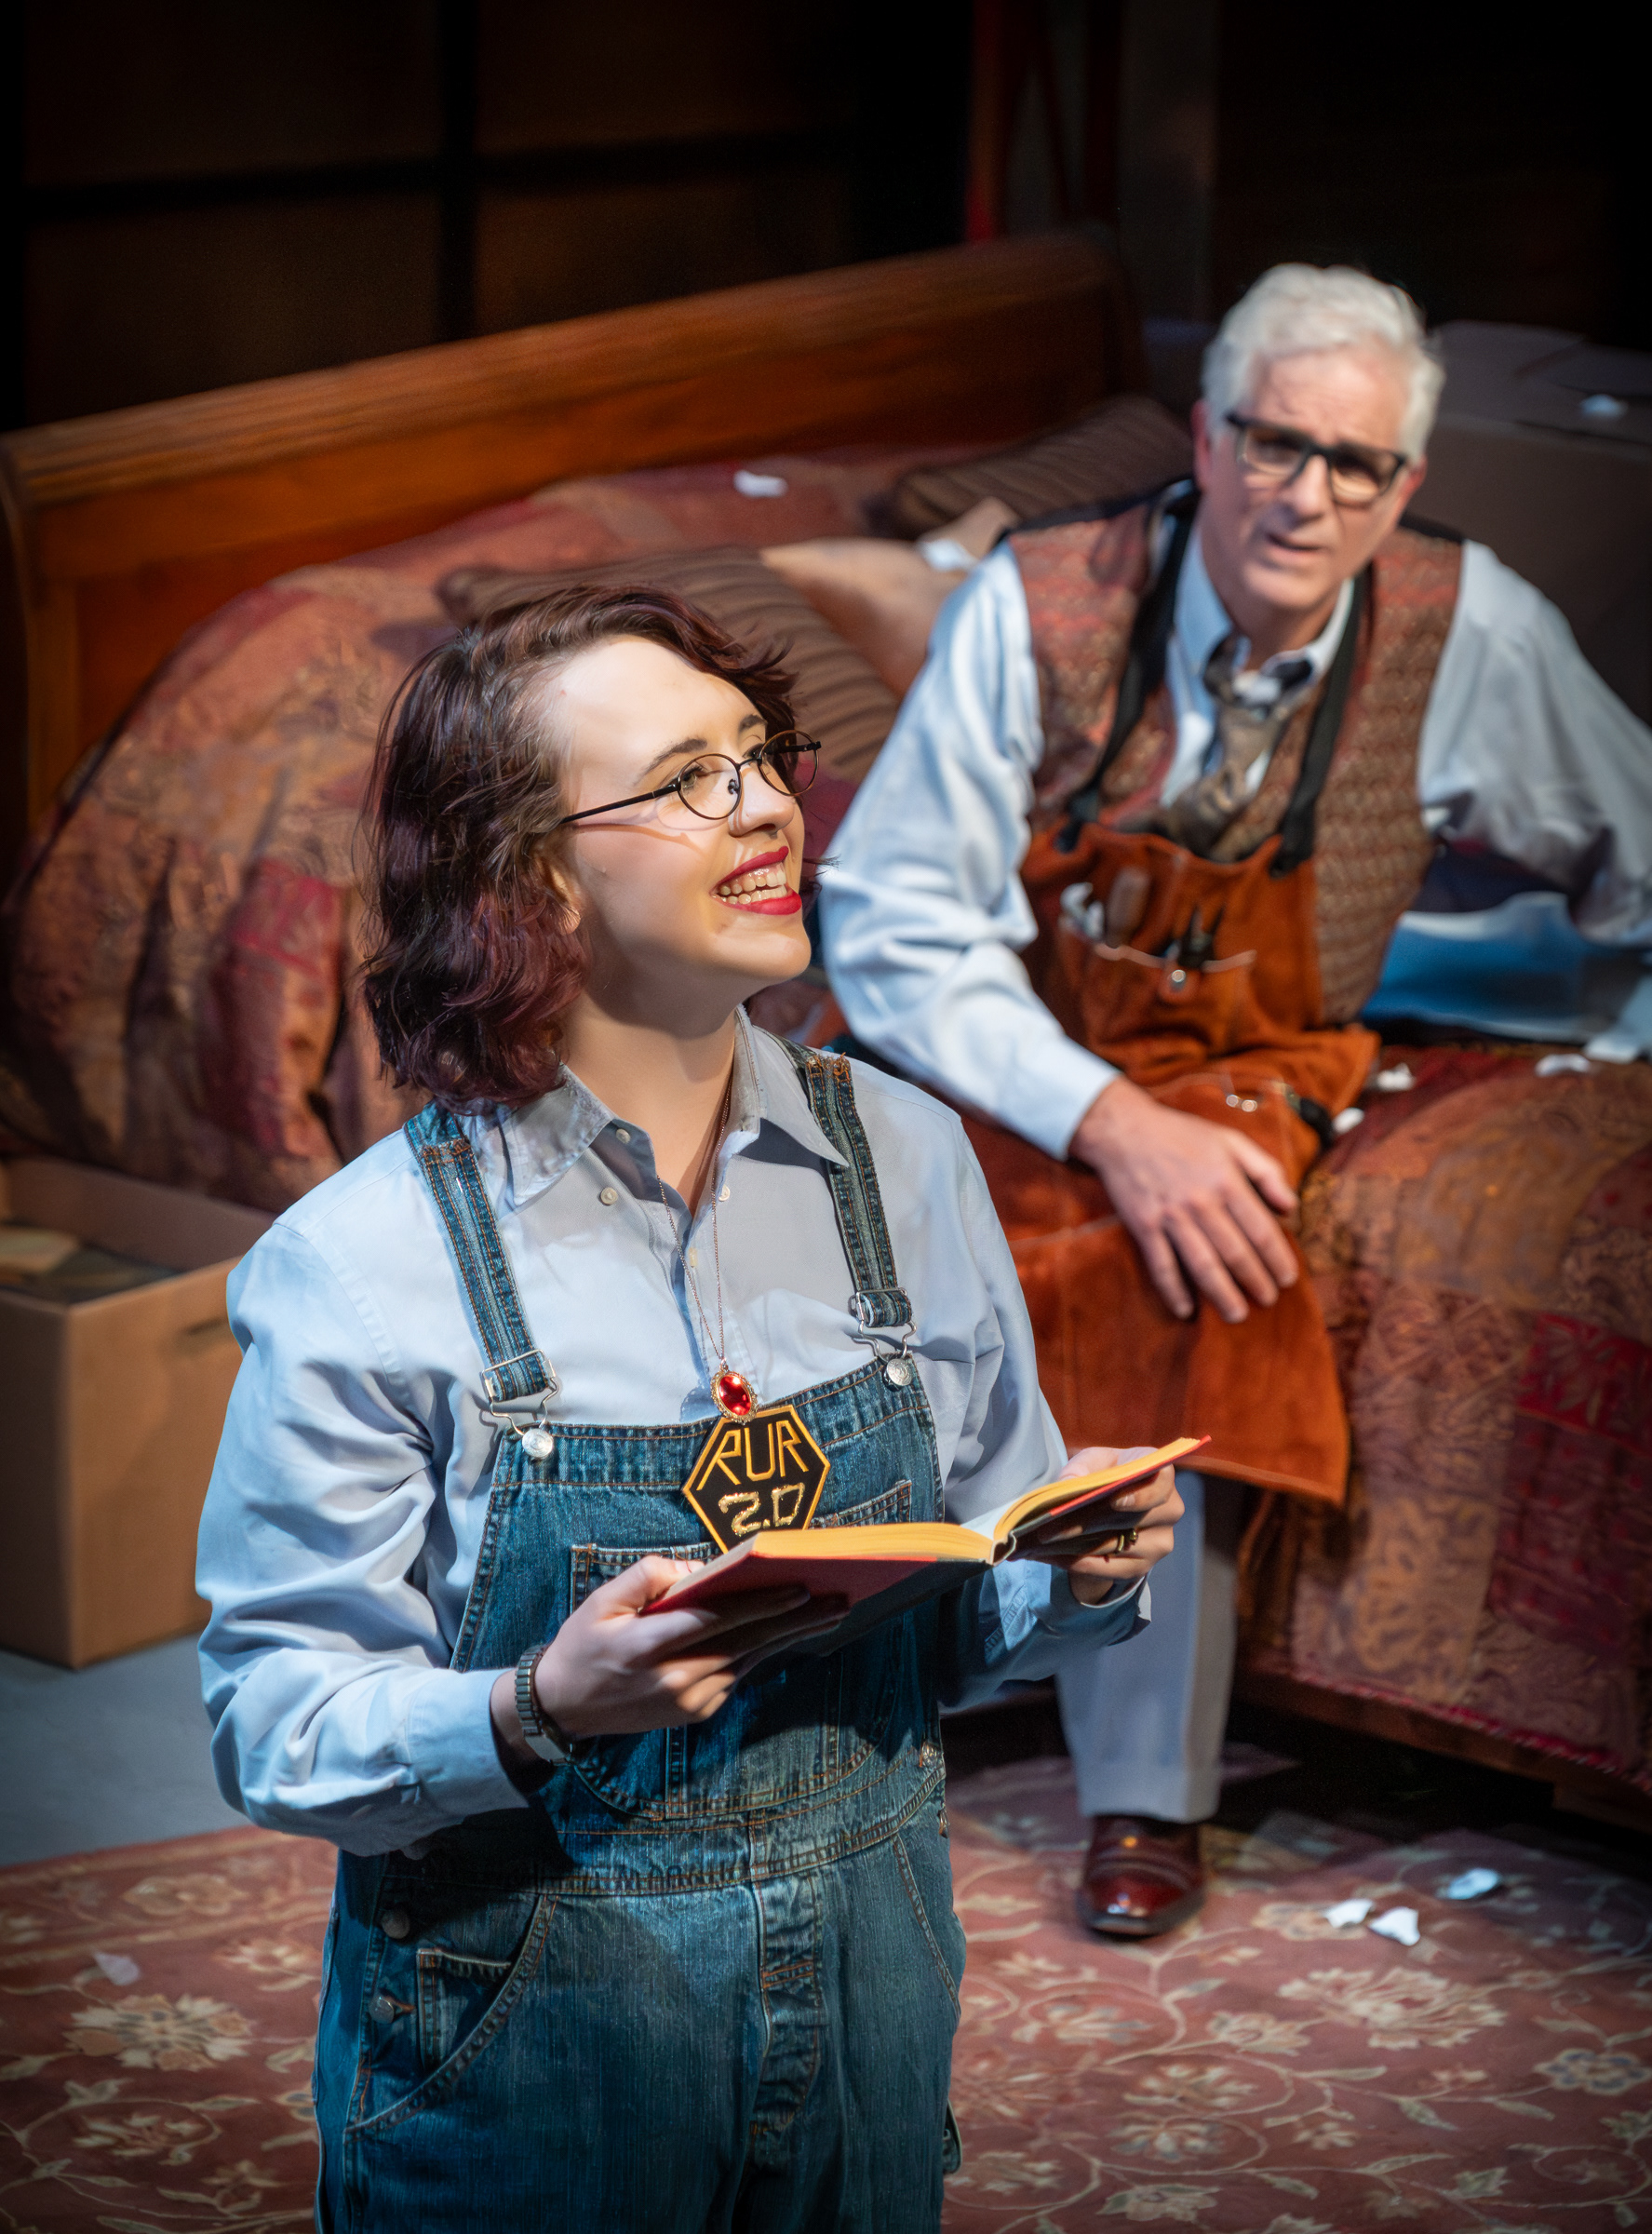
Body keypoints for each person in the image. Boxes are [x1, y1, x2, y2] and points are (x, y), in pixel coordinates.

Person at [195, 583, 1184, 2233]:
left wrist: (1075, 1573)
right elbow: (275, 1724)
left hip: (871, 2020)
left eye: (761, 757)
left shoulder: (909, 1159)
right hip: (533, 2060)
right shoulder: (364, 1264)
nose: (768, 807)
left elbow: (956, 1628)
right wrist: (537, 1707)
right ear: (532, 880)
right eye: (687, 780)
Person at [816, 262, 1652, 1940]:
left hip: (1262, 1044)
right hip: (1022, 1017)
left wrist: (1613, 1025)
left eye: (1355, 464)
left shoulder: (1468, 626)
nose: (1306, 495)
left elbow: (1639, 849)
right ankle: (862, 1659)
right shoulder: (1037, 601)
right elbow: (897, 925)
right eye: (1274, 443)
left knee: (1204, 1258)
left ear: (1403, 486)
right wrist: (1112, 1124)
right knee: (894, 1206)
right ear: (1205, 440)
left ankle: (1145, 1792)